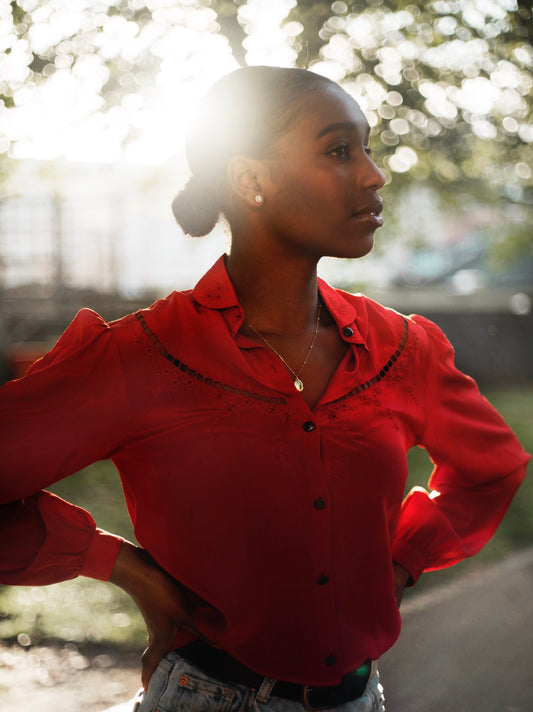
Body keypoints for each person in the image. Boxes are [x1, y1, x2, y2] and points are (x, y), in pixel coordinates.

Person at [0, 66, 529, 712]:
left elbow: (491, 466)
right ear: (251, 181)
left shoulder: (401, 348)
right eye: (338, 150)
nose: (372, 173)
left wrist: (400, 563)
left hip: (360, 700)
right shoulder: (141, 356)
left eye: (367, 147)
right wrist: (120, 564)